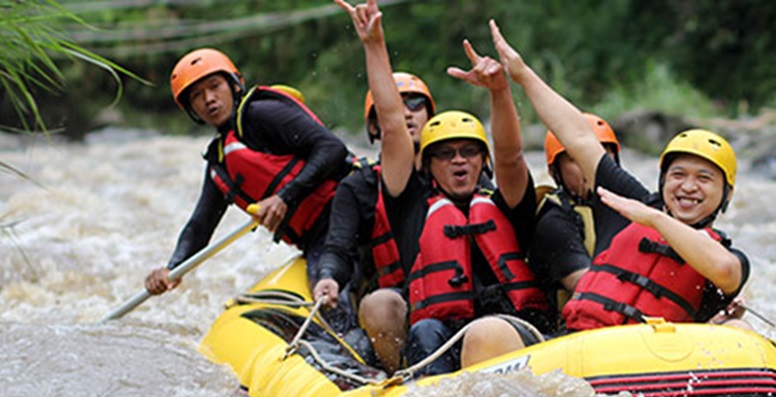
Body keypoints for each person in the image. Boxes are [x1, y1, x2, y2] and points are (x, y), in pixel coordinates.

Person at [335, 0, 551, 375]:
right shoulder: (411, 207)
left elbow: (512, 156)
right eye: (446, 154)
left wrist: (499, 91)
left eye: (469, 152)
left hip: (511, 333)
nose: (458, 161)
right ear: (429, 165)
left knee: (484, 333)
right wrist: (374, 45)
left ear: (483, 161)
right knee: (426, 330)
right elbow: (392, 127)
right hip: (441, 334)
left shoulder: (506, 201)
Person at [490, 21, 750, 331]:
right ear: (663, 180)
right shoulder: (632, 201)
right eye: (678, 174)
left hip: (655, 359)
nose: (688, 186)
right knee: (489, 331)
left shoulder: (727, 256)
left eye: (704, 178)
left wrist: (655, 219)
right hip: (580, 344)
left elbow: (724, 269)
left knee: (739, 331)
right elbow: (579, 137)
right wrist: (521, 75)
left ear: (727, 193)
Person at [144, 48, 356, 329]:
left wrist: (285, 196)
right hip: (316, 235)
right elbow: (200, 224)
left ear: (233, 85)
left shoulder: (262, 113)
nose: (208, 99)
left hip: (349, 205)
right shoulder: (220, 163)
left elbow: (332, 148)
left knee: (329, 289)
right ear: (191, 108)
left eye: (214, 87)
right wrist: (173, 268)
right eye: (197, 95)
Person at [311, 72, 435, 373]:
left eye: (416, 104)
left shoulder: (461, 172)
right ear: (374, 126)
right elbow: (338, 248)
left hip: (454, 295)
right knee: (380, 305)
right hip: (394, 303)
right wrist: (328, 275)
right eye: (393, 107)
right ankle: (402, 374)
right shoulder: (358, 188)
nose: (405, 113)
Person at [530, 112, 624, 312]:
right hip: (572, 331)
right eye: (575, 159)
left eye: (601, 157)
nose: (589, 166)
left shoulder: (633, 206)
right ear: (555, 171)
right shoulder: (554, 220)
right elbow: (586, 288)